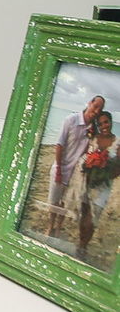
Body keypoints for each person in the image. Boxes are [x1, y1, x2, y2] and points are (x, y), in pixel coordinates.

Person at [50, 94, 104, 236]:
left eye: (100, 109)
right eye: (95, 106)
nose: (96, 111)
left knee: (65, 203)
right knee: (54, 201)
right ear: (89, 103)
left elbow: (91, 150)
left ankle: (58, 228)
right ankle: (50, 227)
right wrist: (59, 170)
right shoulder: (71, 120)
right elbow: (59, 145)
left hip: (76, 174)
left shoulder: (93, 129)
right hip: (60, 168)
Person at [76, 110, 118, 260]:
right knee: (83, 215)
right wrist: (88, 164)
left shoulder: (117, 143)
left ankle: (83, 246)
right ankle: (81, 241)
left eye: (106, 122)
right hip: (86, 183)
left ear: (111, 122)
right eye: (100, 124)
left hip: (103, 188)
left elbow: (118, 170)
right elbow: (86, 155)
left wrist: (103, 171)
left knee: (92, 220)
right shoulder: (94, 139)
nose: (103, 126)